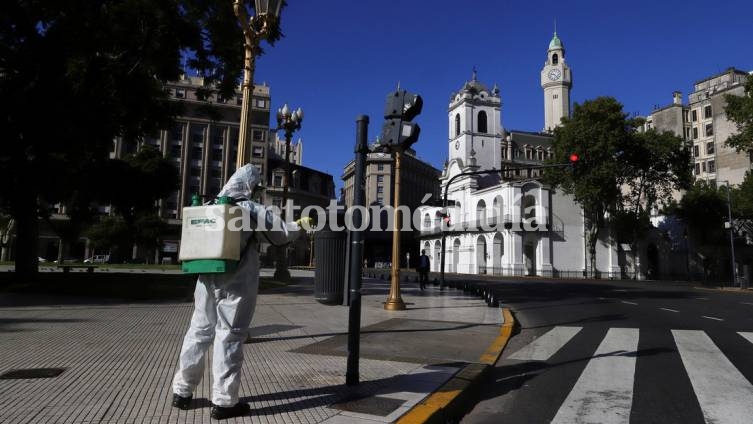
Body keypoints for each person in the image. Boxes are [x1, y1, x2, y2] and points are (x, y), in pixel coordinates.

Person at [171, 165, 305, 420]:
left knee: (198, 332)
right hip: (235, 281)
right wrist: (299, 225)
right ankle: (224, 402)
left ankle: (182, 391)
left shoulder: (211, 204)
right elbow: (281, 235)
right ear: (250, 186)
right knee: (229, 336)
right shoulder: (249, 208)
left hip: (205, 277)